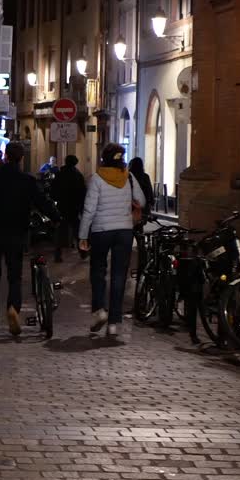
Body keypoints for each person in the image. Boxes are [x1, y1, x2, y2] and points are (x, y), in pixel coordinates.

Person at [0, 141, 59, 335]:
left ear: (6, 156)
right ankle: (13, 309)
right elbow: (42, 202)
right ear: (21, 158)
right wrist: (57, 217)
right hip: (16, 232)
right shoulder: (27, 180)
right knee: (14, 276)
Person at [79, 144, 146, 336]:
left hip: (101, 231)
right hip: (124, 231)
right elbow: (141, 201)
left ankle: (99, 310)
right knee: (119, 275)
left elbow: (89, 210)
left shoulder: (97, 179)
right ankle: (114, 323)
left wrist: (83, 235)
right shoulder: (129, 177)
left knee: (98, 271)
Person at [51, 154, 86, 262]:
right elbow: (82, 192)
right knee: (78, 231)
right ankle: (83, 252)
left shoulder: (59, 174)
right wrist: (81, 207)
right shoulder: (78, 175)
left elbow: (54, 190)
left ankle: (57, 254)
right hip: (74, 207)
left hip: (62, 206)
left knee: (60, 231)